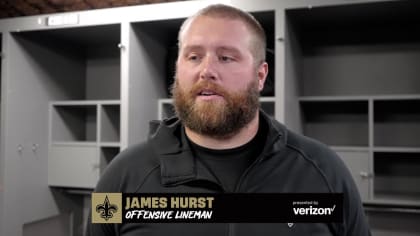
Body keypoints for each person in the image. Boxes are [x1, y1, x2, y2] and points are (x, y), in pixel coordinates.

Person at [88, 4, 371, 236]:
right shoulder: (120, 178)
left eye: (226, 58)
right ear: (178, 69)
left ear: (260, 76)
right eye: (194, 56)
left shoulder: (324, 173)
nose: (206, 70)